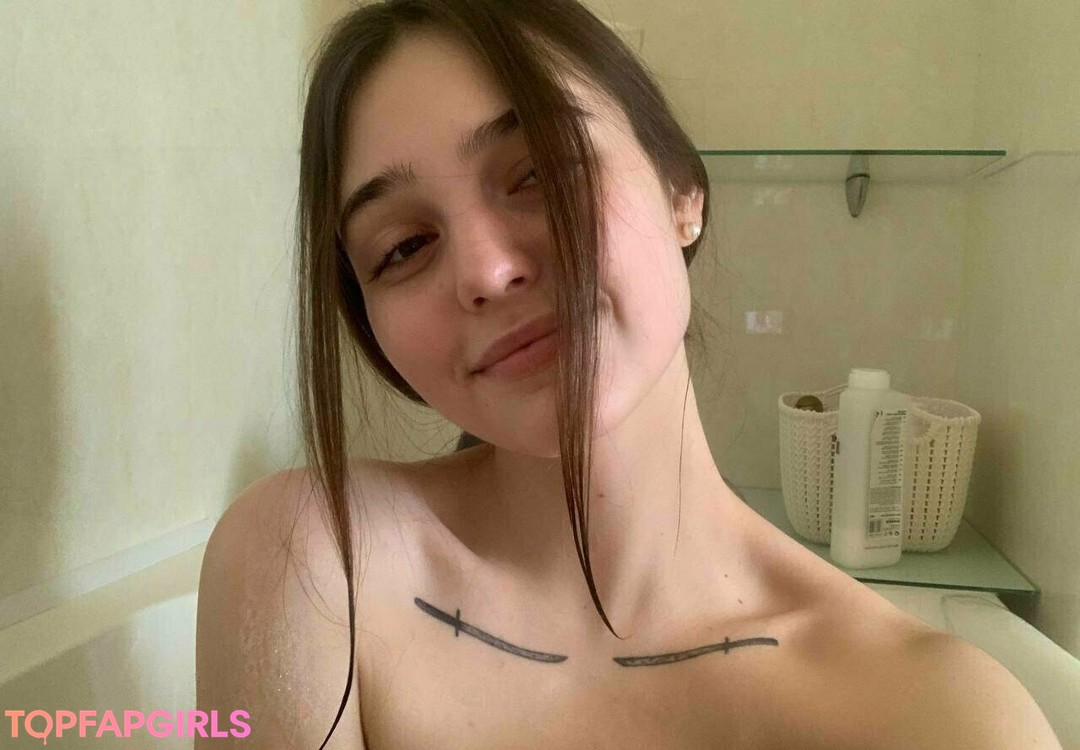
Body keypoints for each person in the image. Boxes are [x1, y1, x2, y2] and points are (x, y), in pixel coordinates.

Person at [195, 1, 1063, 748]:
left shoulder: (942, 714)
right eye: (404, 246)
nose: (485, 272)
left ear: (682, 192)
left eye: (540, 171)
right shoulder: (309, 562)